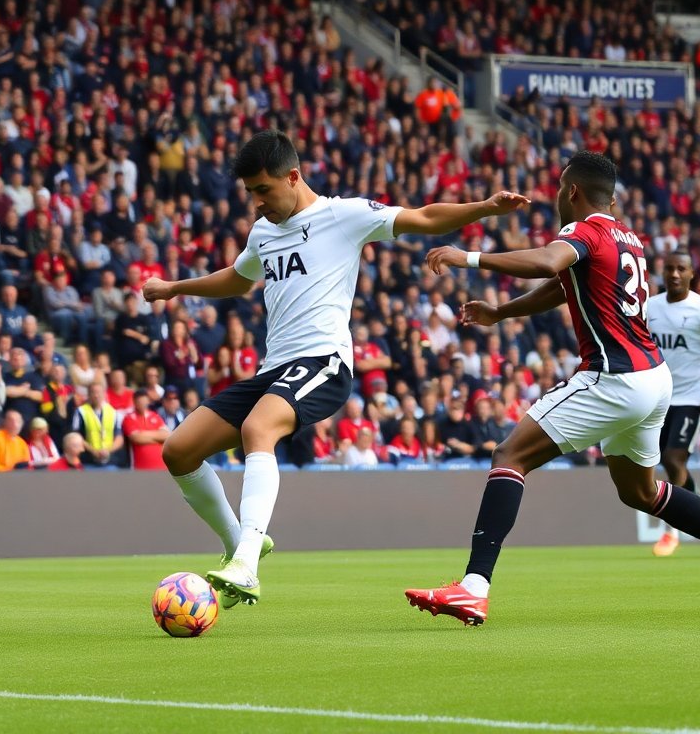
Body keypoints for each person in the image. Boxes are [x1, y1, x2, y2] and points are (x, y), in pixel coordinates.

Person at [143, 129, 532, 608]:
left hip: (324, 362)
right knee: (179, 451)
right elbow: (237, 279)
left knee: (257, 427)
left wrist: (485, 208)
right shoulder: (262, 232)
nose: (257, 203)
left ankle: (245, 562)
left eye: (263, 190)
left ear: (293, 175)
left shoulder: (343, 215)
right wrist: (175, 288)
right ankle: (239, 544)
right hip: (274, 371)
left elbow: (425, 217)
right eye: (250, 194)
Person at [404, 152, 700, 626]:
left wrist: (470, 258)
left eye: (560, 191)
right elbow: (564, 286)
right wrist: (502, 313)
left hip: (614, 378)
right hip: (654, 378)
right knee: (642, 494)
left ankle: (473, 587)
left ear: (572, 192)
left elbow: (548, 263)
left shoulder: (580, 232)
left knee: (509, 456)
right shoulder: (628, 238)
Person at [645, 250, 700, 556]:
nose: (673, 274)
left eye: (680, 269)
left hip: (692, 396)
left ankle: (672, 532)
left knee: (672, 459)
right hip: (658, 395)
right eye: (669, 268)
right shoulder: (650, 307)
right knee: (662, 459)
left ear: (690, 274)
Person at [122, 389, 170, 470]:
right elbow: (136, 438)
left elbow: (167, 435)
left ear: (148, 401)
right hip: (140, 468)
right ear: (134, 402)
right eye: (139, 402)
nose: (142, 404)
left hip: (161, 467)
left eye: (144, 401)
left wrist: (143, 433)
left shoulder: (155, 416)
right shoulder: (128, 418)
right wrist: (158, 439)